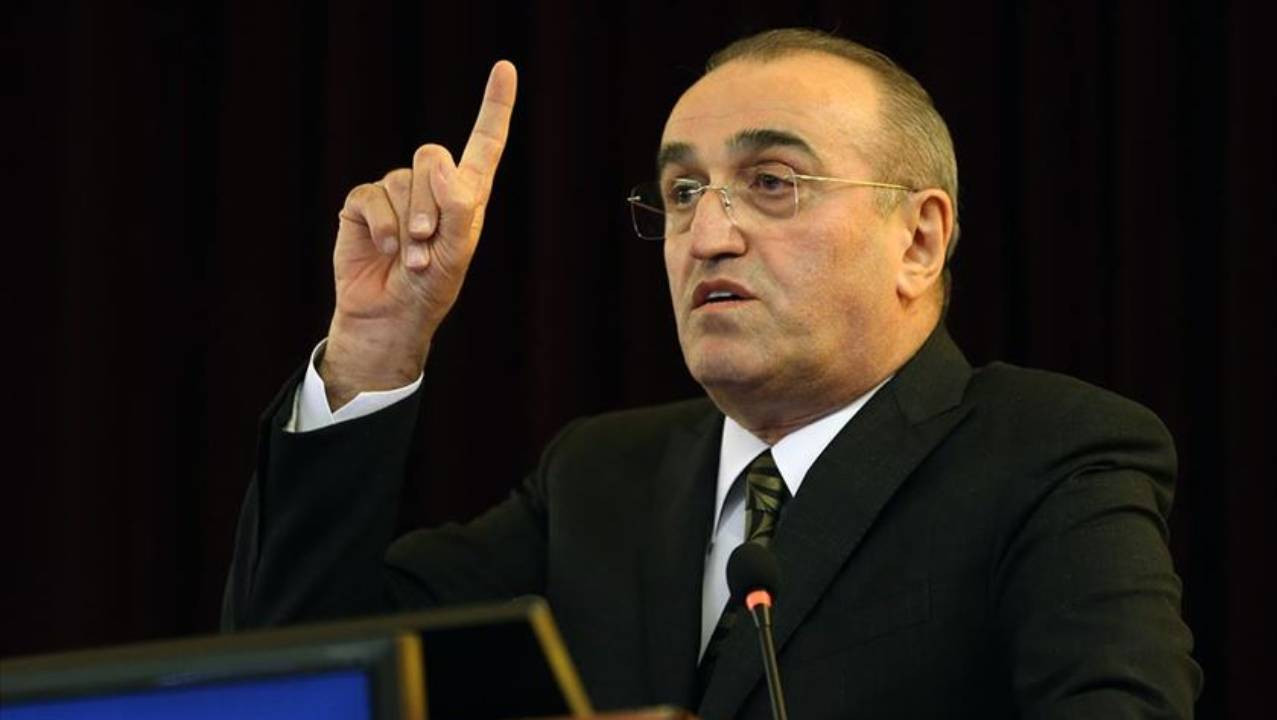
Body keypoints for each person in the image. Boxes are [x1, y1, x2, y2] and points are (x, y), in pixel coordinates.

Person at [223, 28, 1201, 719]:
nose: (707, 234)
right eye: (683, 190)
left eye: (771, 183)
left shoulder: (1049, 455)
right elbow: (295, 679)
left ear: (918, 239)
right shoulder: (599, 477)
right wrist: (376, 343)